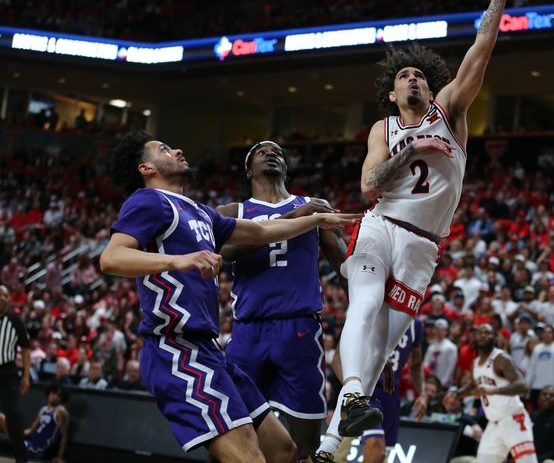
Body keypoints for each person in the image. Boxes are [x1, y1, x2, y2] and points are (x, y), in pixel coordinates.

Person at [313, 0, 533, 463]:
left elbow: (482, 47)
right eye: (402, 77)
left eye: (418, 75)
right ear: (391, 95)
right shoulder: (383, 129)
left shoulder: (450, 110)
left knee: (384, 343)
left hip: (423, 247)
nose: (411, 78)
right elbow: (370, 185)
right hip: (380, 225)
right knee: (363, 308)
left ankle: (330, 440)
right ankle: (340, 420)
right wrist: (411, 147)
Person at [99, 131, 356, 462]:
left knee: (283, 450)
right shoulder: (148, 201)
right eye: (164, 148)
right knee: (250, 456)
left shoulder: (201, 211)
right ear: (146, 168)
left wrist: (316, 218)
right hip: (176, 349)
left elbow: (262, 231)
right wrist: (176, 260)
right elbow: (111, 258)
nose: (177, 148)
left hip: (210, 350)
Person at [216, 140, 348, 459]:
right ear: (248, 169)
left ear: (286, 167)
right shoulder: (232, 212)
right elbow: (227, 253)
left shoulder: (314, 204)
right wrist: (297, 217)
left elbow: (346, 269)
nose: (271, 154)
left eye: (277, 152)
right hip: (249, 332)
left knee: (305, 438)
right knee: (233, 431)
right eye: (261, 152)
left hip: (299, 329)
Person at [334, 319, 426, 463]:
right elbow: (337, 359)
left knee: (381, 456)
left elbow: (416, 364)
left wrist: (423, 394)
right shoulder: (370, 309)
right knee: (375, 449)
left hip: (391, 395)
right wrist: (353, 389)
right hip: (366, 390)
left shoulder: (415, 324)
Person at [447, 324, 537, 463]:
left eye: (487, 333)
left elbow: (523, 386)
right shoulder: (475, 363)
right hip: (493, 423)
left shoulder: (501, 359)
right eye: (480, 333)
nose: (483, 335)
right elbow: (472, 385)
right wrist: (456, 395)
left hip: (513, 418)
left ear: (495, 337)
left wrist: (493, 391)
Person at [1, 382, 69, 462]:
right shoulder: (43, 409)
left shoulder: (61, 411)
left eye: (59, 396)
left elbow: (64, 436)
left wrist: (60, 456)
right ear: (49, 393)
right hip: (28, 442)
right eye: (54, 393)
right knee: (2, 420)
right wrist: (16, 434)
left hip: (38, 449)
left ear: (62, 398)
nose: (55, 397)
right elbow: (31, 430)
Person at [0, 285, 30, 463]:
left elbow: (26, 350)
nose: (1, 297)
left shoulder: (15, 321)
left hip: (8, 372)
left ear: (8, 299)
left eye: (4, 295)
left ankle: (21, 458)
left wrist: (26, 375)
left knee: (12, 415)